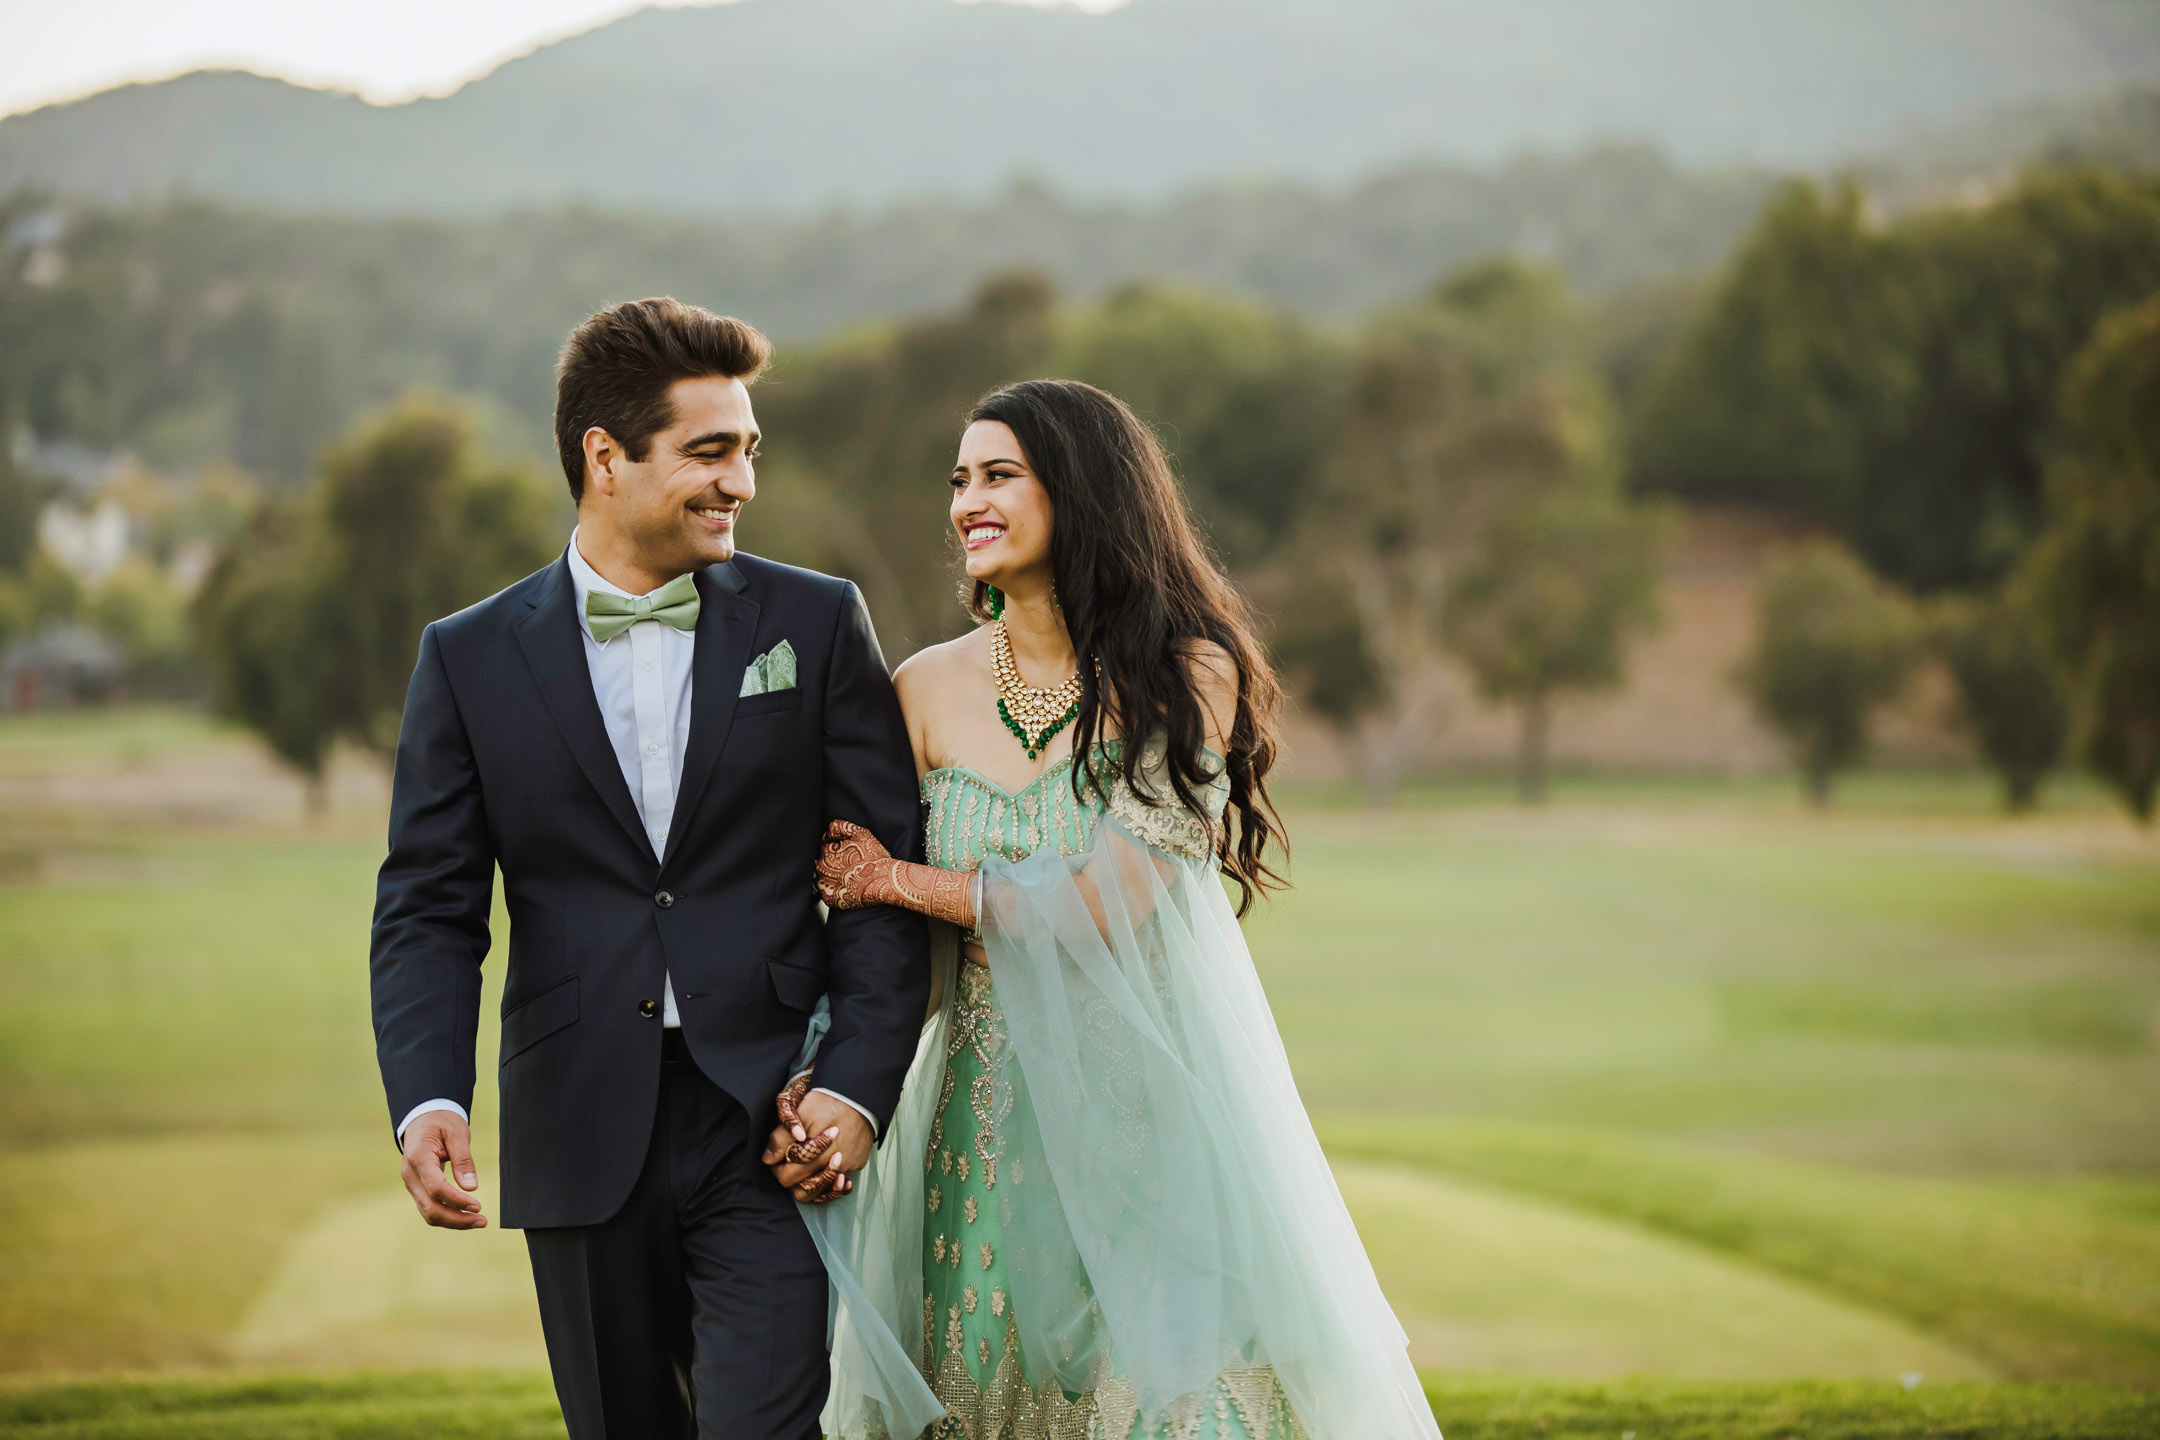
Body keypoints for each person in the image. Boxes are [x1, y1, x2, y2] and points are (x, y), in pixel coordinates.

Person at [781, 380, 1442, 1440]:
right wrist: (827, 1074)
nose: (967, 502)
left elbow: (1103, 904)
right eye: (959, 480)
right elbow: (870, 947)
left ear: (1083, 491)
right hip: (978, 1114)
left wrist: (895, 877)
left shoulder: (1187, 675)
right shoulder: (921, 688)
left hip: (1144, 1108)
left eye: (999, 475)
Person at [369, 297, 929, 1439]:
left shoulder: (817, 625)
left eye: (749, 451)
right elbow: (429, 908)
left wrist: (858, 1089)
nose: (742, 482)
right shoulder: (467, 657)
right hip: (576, 1122)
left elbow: (883, 884)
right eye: (709, 452)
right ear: (606, 458)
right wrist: (428, 1094)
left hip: (769, 1117)